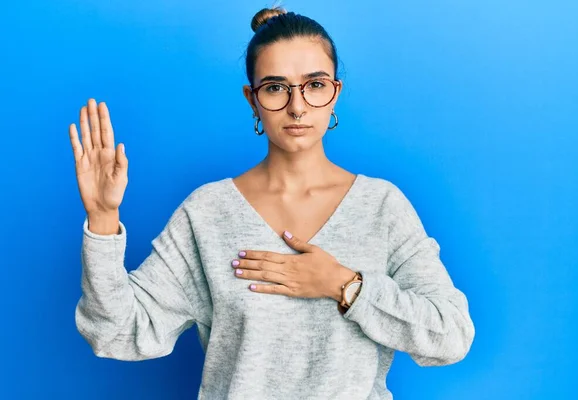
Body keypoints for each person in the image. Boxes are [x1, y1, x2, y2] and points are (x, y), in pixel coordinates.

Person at [69, 7, 475, 400]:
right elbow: (117, 333)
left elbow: (450, 335)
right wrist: (103, 219)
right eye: (276, 87)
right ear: (253, 99)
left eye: (314, 85)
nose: (297, 107)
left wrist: (344, 286)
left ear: (335, 93)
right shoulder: (208, 213)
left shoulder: (381, 206)